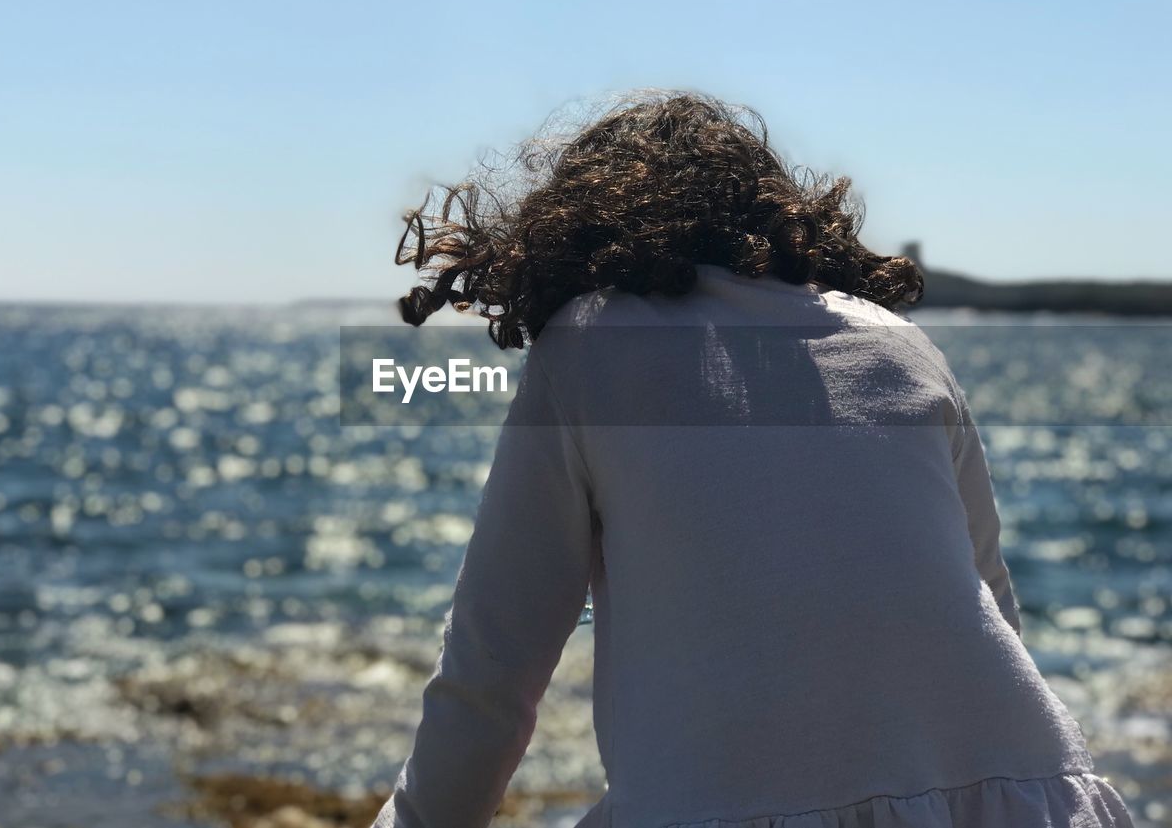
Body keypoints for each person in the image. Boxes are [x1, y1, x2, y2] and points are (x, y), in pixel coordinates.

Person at [370, 91, 1135, 827]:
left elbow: (493, 670)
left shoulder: (588, 348)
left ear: (580, 228)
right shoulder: (901, 345)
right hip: (1024, 794)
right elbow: (991, 609)